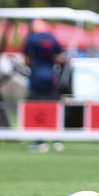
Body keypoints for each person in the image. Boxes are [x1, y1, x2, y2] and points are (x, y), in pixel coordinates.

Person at [23, 20, 64, 151]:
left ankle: (40, 140)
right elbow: (60, 58)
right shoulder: (52, 38)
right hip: (51, 77)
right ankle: (57, 140)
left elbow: (26, 59)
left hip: (37, 77)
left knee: (37, 109)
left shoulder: (31, 39)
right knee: (52, 107)